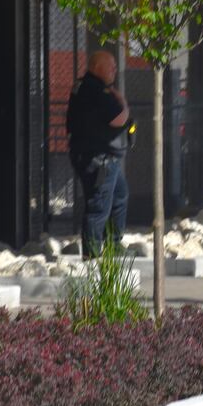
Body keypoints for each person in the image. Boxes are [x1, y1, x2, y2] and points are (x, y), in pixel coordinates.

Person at [66, 50, 131, 258]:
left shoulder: (87, 87)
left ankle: (113, 245)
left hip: (102, 157)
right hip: (98, 158)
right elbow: (118, 118)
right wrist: (124, 104)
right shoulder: (94, 89)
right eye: (110, 65)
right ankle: (92, 254)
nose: (114, 69)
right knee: (99, 205)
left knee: (119, 195)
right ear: (96, 67)